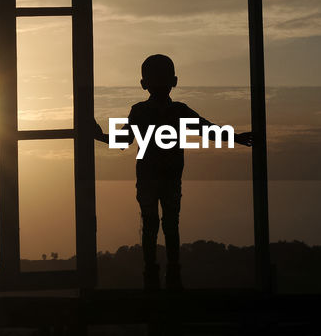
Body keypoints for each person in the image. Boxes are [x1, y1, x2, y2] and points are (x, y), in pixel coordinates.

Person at [97, 54, 252, 290]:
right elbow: (207, 129)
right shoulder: (172, 111)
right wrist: (237, 138)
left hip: (156, 178)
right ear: (175, 81)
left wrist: (98, 135)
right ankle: (168, 274)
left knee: (156, 225)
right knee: (167, 224)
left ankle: (159, 274)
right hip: (162, 178)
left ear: (143, 83)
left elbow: (123, 140)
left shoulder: (149, 111)